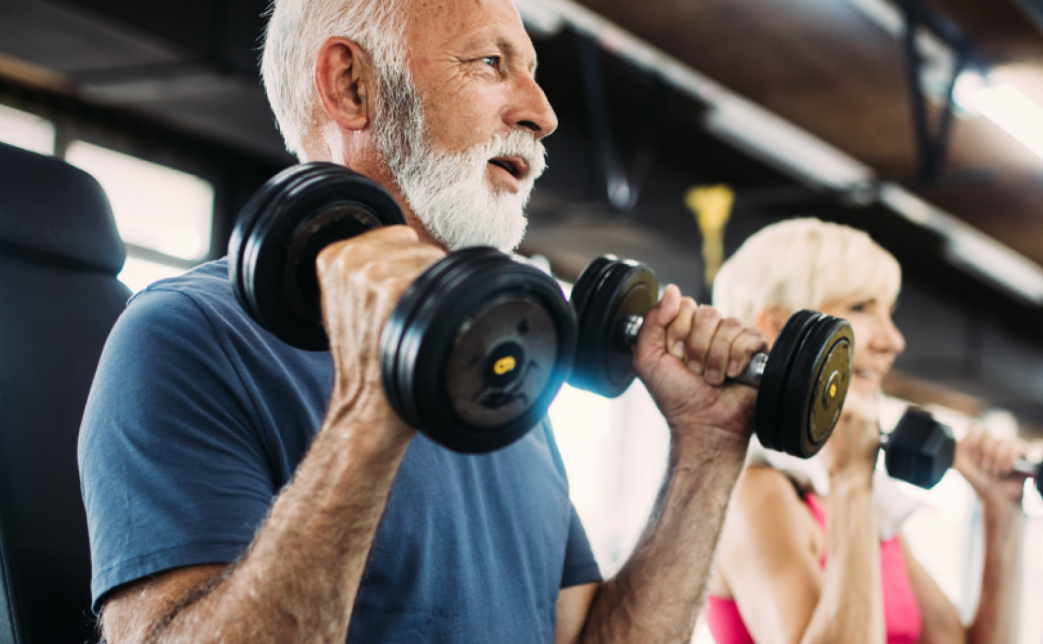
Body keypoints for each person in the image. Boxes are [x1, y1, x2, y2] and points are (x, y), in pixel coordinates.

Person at [77, 0, 770, 641]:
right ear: (352, 86)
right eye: (491, 64)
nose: (542, 112)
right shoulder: (187, 337)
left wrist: (707, 449)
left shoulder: (504, 367)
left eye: (532, 73)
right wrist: (368, 418)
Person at [705, 218, 1027, 644]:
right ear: (780, 330)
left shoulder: (858, 506)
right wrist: (853, 480)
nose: (894, 341)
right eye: (860, 307)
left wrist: (1000, 513)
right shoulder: (756, 493)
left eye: (888, 312)